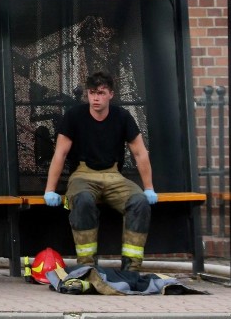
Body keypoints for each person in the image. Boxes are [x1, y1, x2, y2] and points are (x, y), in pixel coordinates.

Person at [43, 71, 157, 272]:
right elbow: (60, 154)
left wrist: (148, 188)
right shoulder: (74, 116)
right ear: (87, 94)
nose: (96, 98)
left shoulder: (122, 116)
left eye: (101, 93)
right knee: (83, 200)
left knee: (139, 202)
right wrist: (49, 190)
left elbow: (140, 153)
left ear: (111, 94)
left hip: (114, 175)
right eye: (92, 93)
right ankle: (87, 265)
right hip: (82, 174)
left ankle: (131, 267)